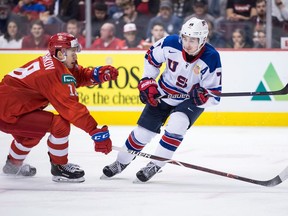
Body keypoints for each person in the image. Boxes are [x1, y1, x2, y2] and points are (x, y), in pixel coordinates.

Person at [101, 17, 222, 182]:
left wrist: (203, 97)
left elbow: (214, 96)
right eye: (185, 38)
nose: (187, 44)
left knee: (177, 124)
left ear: (203, 40)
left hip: (189, 100)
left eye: (192, 40)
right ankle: (121, 162)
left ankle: (155, 164)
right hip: (164, 92)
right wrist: (147, 81)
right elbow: (151, 58)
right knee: (142, 133)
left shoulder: (211, 57)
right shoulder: (170, 42)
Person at [0, 32, 118, 182]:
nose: (75, 55)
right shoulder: (53, 72)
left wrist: (95, 75)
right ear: (60, 53)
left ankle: (12, 165)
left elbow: (75, 74)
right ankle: (59, 167)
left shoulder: (55, 62)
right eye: (72, 51)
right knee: (60, 125)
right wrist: (94, 131)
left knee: (31, 134)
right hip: (7, 113)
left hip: (9, 109)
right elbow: (71, 108)